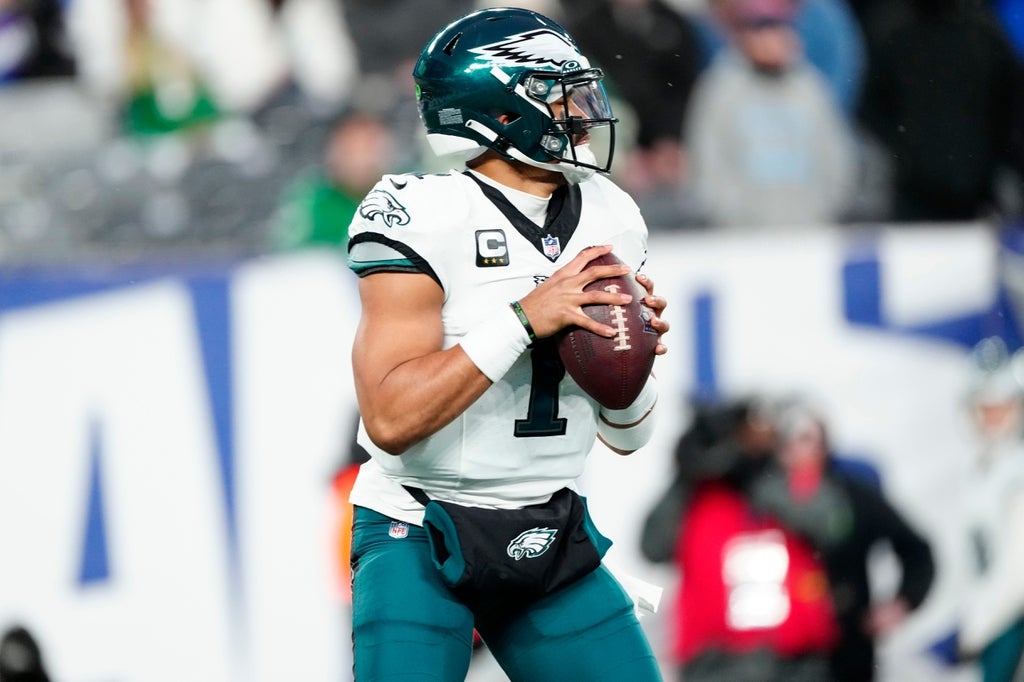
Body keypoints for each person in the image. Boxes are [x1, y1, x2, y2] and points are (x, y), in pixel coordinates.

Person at [344, 7, 669, 681]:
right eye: (560, 94)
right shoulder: (422, 213)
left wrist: (632, 361)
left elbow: (630, 437)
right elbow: (389, 419)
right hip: (420, 526)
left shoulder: (612, 213)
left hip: (549, 523)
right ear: (500, 109)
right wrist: (524, 320)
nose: (584, 111)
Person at [749, 401, 936, 682]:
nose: (799, 452)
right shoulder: (759, 503)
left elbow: (917, 551)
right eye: (788, 442)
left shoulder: (854, 497)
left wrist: (903, 601)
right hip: (777, 654)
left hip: (848, 648)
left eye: (806, 439)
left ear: (824, 444)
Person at [683, 0, 857, 228]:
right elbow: (707, 159)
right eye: (760, 29)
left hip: (809, 229)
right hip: (740, 234)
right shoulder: (721, 90)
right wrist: (731, 214)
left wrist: (822, 210)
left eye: (778, 28)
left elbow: (835, 155)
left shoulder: (810, 89)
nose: (770, 39)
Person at [954, 337, 1024, 681]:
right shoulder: (982, 468)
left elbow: (1017, 571)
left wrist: (978, 626)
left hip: (1010, 622)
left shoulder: (1017, 470)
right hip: (992, 619)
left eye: (1002, 407)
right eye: (986, 408)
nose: (994, 418)